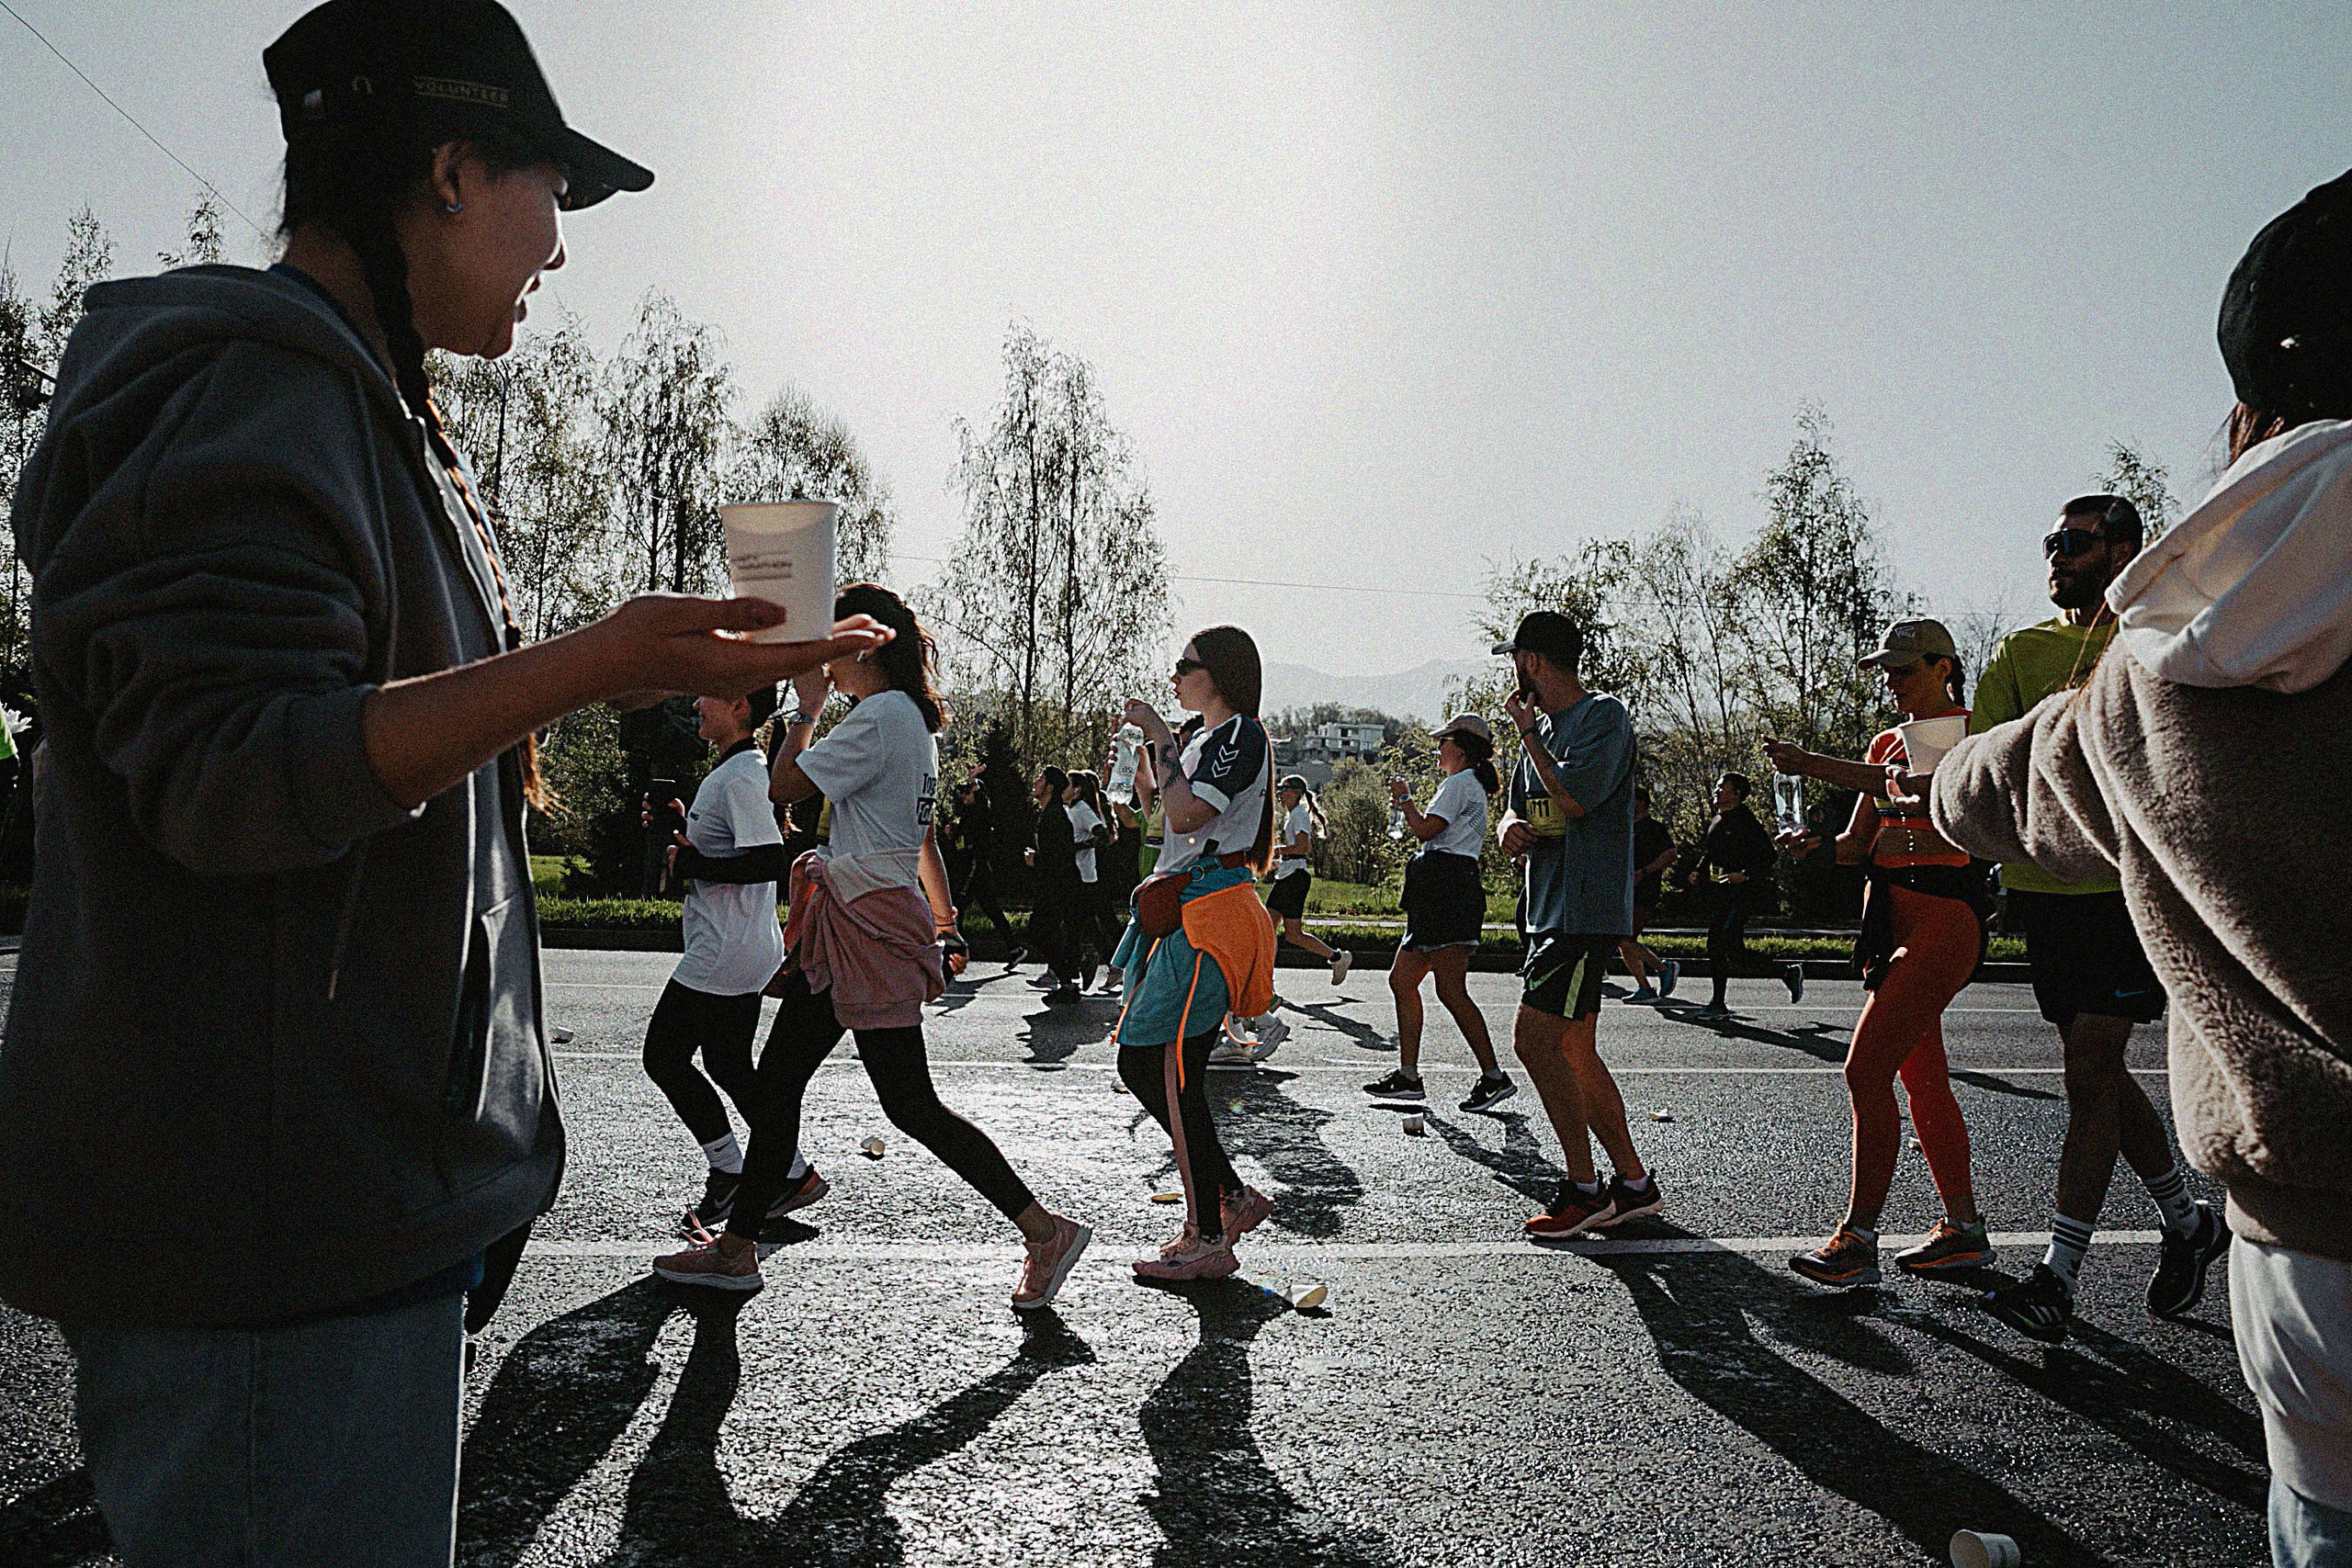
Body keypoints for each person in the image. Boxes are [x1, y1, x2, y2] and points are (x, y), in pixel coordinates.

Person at [0, 5, 890, 1561]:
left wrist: (613, 665)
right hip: (274, 1249)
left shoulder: (360, 408)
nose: (561, 244)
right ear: (454, 169)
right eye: (555, 188)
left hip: (347, 1225)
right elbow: (234, 772)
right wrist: (589, 663)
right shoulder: (250, 392)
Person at [1933, 171, 2352, 1566]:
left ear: (2245, 423)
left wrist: (1924, 773)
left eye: (2078, 540)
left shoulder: (2157, 668)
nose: (2063, 557)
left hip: (2317, 1263)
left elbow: (2000, 782)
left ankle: (2115, 1239)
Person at [653, 584, 1091, 1309]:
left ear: (866, 644)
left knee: (905, 1102)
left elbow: (783, 787)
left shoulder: (879, 716)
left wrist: (805, 708)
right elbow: (921, 837)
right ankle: (736, 1250)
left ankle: (1045, 1230)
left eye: (834, 641)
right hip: (864, 920)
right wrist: (944, 921)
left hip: (862, 925)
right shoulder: (909, 720)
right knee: (797, 1084)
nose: (824, 655)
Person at [1942, 491, 2229, 1346]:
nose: (2057, 554)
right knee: (2096, 1074)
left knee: (2091, 1068)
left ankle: (2057, 1278)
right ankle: (2188, 1222)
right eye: (2051, 540)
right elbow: (1977, 757)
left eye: (2075, 540)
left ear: (2124, 549)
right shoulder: (2022, 651)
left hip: (2125, 891)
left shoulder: (2154, 640)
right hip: (2046, 896)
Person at [1764, 620, 1994, 1286]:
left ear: (1943, 667)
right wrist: (1812, 847)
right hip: (1891, 920)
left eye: (1904, 668)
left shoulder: (1974, 733)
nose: (1892, 680)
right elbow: (1856, 844)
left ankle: (1859, 1238)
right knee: (1922, 1079)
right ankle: (1963, 1229)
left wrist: (1812, 762)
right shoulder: (1885, 741)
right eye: (1887, 670)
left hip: (1945, 919)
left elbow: (1912, 784)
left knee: (1864, 1070)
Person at [1112, 627, 1281, 1281]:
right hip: (1194, 910)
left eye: (1185, 665)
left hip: (1211, 917)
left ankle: (1208, 1235)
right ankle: (1229, 1199)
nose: (1176, 676)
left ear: (1220, 675)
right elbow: (1163, 812)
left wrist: (1159, 733)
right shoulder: (1209, 738)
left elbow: (1185, 817)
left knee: (1164, 1070)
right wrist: (1152, 759)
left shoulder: (1240, 733)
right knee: (1158, 1069)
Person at [1492, 613, 1661, 1240]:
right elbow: (1517, 805)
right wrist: (1507, 827)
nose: (1513, 671)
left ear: (1532, 662)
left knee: (1533, 1043)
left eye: (1515, 659)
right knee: (1575, 1051)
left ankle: (1584, 1189)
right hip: (1547, 910)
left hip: (1582, 913)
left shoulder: (1603, 718)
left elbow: (1574, 798)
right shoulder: (1539, 731)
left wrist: (1528, 735)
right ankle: (1634, 1184)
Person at [639, 684, 826, 1237]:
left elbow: (768, 861)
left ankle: (730, 1172)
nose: (697, 704)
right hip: (741, 945)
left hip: (724, 949)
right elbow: (732, 852)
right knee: (727, 1064)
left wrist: (694, 865)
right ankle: (791, 1173)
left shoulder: (742, 775)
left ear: (740, 705)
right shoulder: (736, 771)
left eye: (708, 696)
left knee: (663, 1058)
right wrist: (681, 831)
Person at [1364, 714, 1515, 1112]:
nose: (1438, 747)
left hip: (1448, 889)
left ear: (1461, 748)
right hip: (1444, 889)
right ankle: (1409, 1076)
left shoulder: (1459, 784)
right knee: (1404, 981)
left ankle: (1493, 1076)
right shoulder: (1466, 783)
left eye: (1443, 741)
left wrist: (1405, 799)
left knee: (1449, 990)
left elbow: (1425, 830)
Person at [1679, 773, 1800, 1017]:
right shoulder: (1718, 819)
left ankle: (1718, 1004)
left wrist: (1744, 874)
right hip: (1720, 893)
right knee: (1733, 951)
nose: (1717, 790)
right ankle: (1787, 972)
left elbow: (1768, 856)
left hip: (1740, 894)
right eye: (1717, 786)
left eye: (1722, 787)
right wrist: (1699, 871)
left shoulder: (1745, 821)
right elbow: (1711, 852)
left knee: (1717, 942)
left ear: (1736, 794)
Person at [1023, 765, 1083, 1000]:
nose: (1036, 782)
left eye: (1041, 779)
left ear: (1049, 787)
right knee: (1046, 932)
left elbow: (1059, 855)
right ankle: (1069, 977)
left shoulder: (1055, 816)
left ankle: (1070, 976)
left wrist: (1035, 860)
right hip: (1056, 883)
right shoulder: (1051, 813)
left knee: (1040, 931)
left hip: (1058, 884)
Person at [1620, 787, 1680, 1002]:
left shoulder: (1654, 828)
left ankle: (1662, 969)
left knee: (1624, 939)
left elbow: (1671, 854)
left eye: (1631, 799)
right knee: (1623, 941)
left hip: (1645, 892)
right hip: (1623, 891)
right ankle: (1646, 987)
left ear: (1642, 803)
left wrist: (1645, 872)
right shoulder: (1624, 827)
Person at [944, 770, 1014, 941]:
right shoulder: (967, 814)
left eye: (968, 792)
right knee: (990, 908)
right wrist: (952, 834)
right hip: (972, 866)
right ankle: (1013, 946)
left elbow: (981, 799)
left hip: (976, 865)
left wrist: (973, 781)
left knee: (958, 904)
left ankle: (955, 943)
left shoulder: (982, 810)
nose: (964, 796)